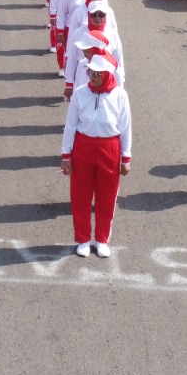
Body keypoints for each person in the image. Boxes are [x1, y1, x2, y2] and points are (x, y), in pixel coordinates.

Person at [62, 54, 132, 257]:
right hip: (83, 147)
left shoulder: (120, 95)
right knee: (80, 195)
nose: (92, 76)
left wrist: (126, 157)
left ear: (108, 74)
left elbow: (126, 127)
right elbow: (71, 125)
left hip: (109, 148)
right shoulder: (80, 93)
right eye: (91, 72)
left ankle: (102, 239)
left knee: (107, 196)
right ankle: (83, 239)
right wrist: (66, 155)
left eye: (97, 73)